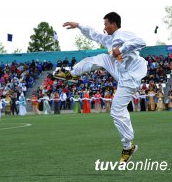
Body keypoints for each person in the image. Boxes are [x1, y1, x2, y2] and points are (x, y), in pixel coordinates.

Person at [62, 12, 147, 162]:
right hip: (121, 72)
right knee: (100, 58)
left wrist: (122, 49)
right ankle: (72, 74)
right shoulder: (109, 39)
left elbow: (141, 41)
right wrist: (79, 25)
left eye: (106, 24)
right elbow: (94, 34)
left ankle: (128, 146)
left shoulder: (123, 34)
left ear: (113, 24)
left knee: (116, 111)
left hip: (131, 77)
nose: (104, 27)